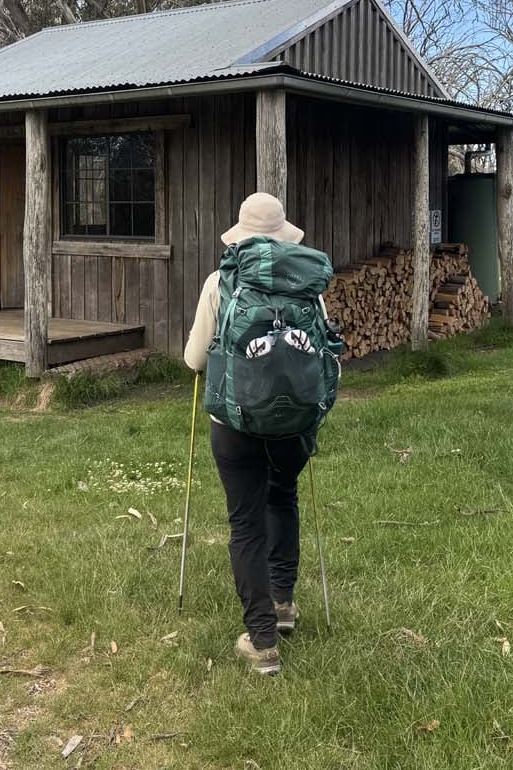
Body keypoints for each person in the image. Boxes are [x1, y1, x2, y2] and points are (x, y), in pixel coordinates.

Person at [184, 191, 313, 676]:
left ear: (240, 237)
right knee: (283, 497)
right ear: (284, 236)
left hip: (234, 422)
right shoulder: (306, 283)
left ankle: (261, 641)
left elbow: (195, 360)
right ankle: (283, 603)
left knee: (245, 524)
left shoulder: (219, 282)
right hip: (293, 420)